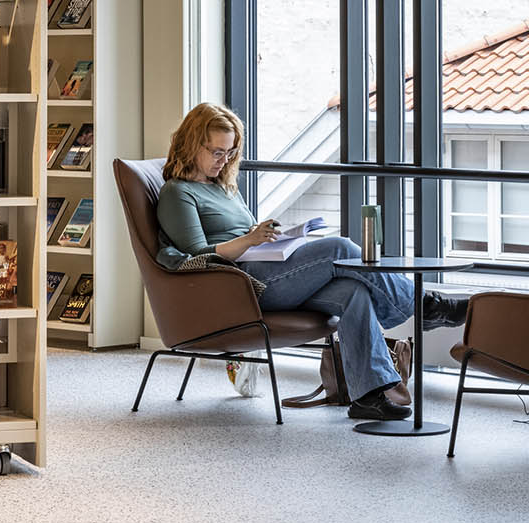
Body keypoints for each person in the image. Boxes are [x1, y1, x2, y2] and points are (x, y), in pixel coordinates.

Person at [155, 102, 469, 422]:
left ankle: (368, 396)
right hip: (242, 288)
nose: (224, 160)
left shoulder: (223, 188)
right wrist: (249, 240)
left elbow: (241, 234)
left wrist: (266, 235)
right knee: (339, 247)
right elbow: (198, 256)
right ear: (192, 144)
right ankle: (427, 306)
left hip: (265, 269)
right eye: (217, 152)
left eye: (230, 152)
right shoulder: (177, 192)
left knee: (353, 292)